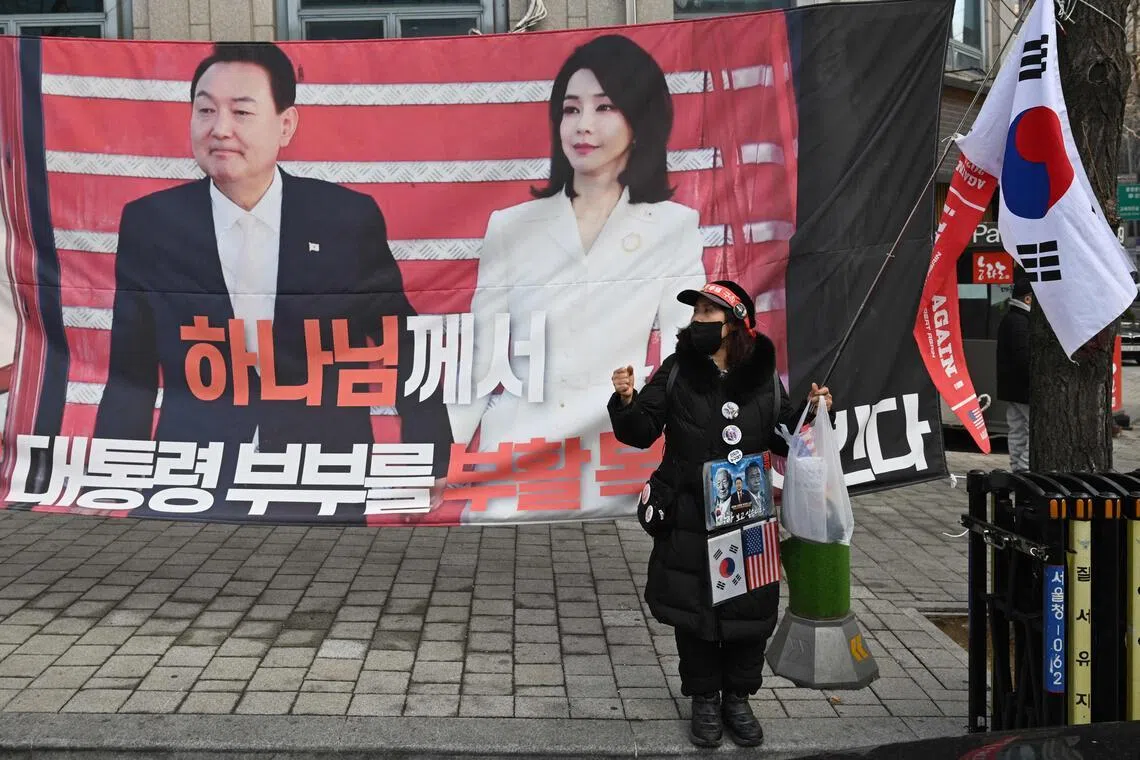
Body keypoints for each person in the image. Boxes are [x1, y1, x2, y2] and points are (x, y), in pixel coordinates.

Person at [94, 42, 453, 518]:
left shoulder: (344, 218)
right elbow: (131, 368)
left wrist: (429, 453)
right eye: (205, 110)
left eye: (241, 112)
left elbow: (402, 340)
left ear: (286, 125)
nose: (220, 129)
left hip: (322, 473)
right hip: (191, 479)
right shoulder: (152, 223)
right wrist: (112, 474)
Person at [445, 33, 706, 522]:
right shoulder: (510, 226)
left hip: (617, 454)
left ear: (640, 119)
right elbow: (483, 354)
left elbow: (684, 350)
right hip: (515, 454)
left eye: (604, 107)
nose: (583, 125)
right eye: (571, 109)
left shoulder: (673, 226)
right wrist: (446, 453)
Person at [608, 280, 832, 749]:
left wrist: (812, 412)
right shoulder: (677, 370)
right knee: (696, 612)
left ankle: (739, 699)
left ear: (735, 322)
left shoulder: (763, 374)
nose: (698, 321)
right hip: (689, 511)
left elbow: (783, 433)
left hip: (748, 512)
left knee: (750, 610)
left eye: (708, 313)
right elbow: (641, 431)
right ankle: (705, 699)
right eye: (695, 314)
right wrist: (626, 401)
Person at [996, 276, 1032, 472]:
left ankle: (1017, 468)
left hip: (1011, 388)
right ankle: (1024, 468)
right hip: (1024, 388)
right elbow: (1023, 357)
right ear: (1028, 298)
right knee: (1032, 430)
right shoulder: (1021, 321)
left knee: (1017, 429)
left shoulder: (1010, 318)